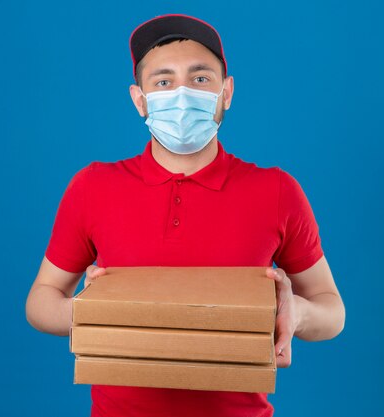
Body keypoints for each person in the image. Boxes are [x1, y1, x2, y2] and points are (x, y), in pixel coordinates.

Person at [26, 13, 346, 417]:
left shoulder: (277, 191)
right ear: (139, 99)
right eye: (163, 81)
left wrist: (296, 314)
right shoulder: (93, 186)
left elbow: (332, 310)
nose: (181, 95)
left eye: (199, 79)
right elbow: (40, 300)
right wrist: (97, 313)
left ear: (226, 93)